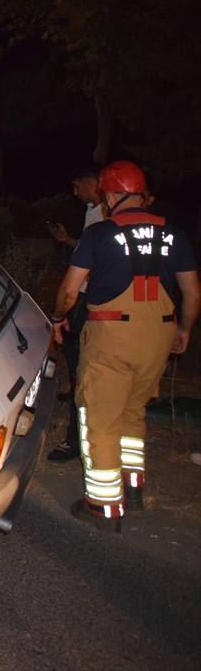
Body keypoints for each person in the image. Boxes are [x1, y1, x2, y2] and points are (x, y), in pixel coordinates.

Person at [51, 160, 199, 532]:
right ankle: (133, 488)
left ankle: (103, 505)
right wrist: (184, 329)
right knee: (134, 410)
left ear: (112, 195)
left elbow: (70, 290)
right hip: (158, 334)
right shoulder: (174, 233)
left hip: (111, 335)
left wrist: (58, 318)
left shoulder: (100, 233)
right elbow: (192, 293)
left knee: (99, 417)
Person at [45, 162, 103, 462]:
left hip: (90, 300)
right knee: (75, 354)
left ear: (92, 183)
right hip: (86, 298)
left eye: (78, 186)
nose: (74, 192)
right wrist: (68, 241)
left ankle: (75, 440)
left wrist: (59, 313)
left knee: (84, 367)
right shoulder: (94, 211)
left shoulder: (107, 214)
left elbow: (90, 270)